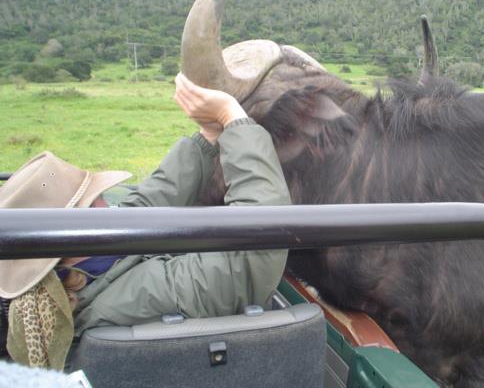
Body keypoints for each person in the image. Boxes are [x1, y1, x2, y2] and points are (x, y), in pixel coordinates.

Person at [0, 73, 290, 369]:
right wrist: (233, 118)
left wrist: (207, 137)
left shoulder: (82, 275)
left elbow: (142, 205)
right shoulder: (135, 300)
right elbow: (248, 264)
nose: (108, 205)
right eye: (94, 202)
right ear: (69, 241)